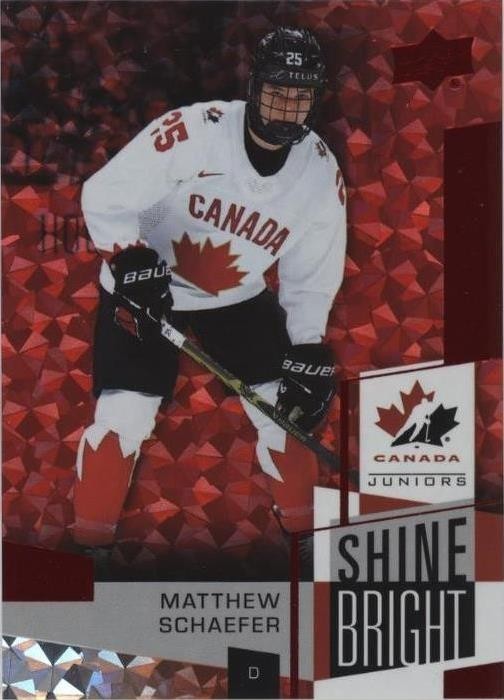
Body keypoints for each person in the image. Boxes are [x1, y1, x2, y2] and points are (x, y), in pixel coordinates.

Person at [74, 26, 347, 548]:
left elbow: (313, 270)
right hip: (147, 286)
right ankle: (89, 550)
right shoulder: (196, 131)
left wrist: (307, 343)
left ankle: (310, 551)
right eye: (277, 90)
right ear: (254, 87)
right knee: (123, 420)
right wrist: (128, 256)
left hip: (235, 296)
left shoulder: (319, 173)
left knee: (288, 418)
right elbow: (106, 193)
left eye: (300, 94)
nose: (287, 106)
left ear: (316, 100)